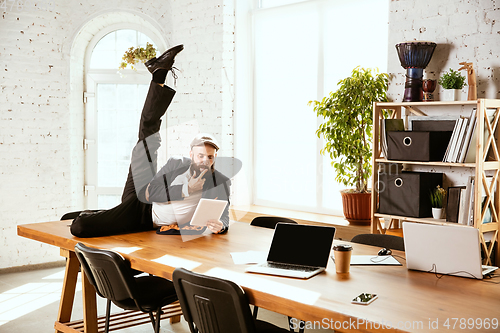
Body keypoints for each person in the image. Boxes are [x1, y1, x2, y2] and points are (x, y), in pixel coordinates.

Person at [68, 44, 231, 237]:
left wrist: (221, 225)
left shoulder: (219, 181)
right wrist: (187, 189)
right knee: (148, 139)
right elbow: (152, 193)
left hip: (143, 215)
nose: (205, 160)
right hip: (142, 203)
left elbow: (224, 214)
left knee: (83, 226)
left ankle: (103, 214)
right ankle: (159, 73)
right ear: (191, 154)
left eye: (210, 157)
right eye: (201, 155)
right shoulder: (177, 163)